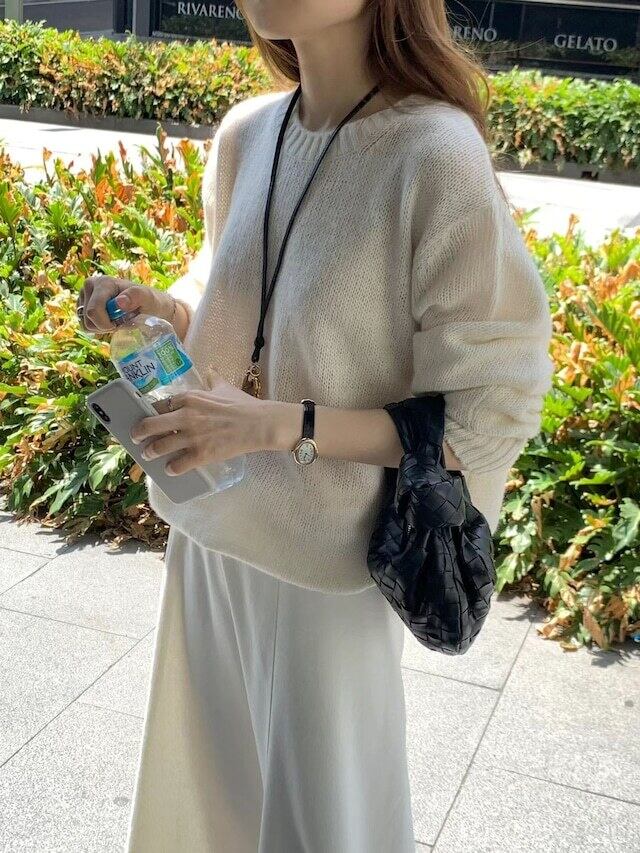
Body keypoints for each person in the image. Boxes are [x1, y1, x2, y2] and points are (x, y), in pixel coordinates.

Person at [77, 1, 554, 850]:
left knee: (324, 830)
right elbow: (244, 301)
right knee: (208, 819)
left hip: (330, 573)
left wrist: (279, 426)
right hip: (211, 536)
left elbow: (489, 408)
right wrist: (165, 313)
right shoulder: (249, 133)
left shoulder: (433, 153)